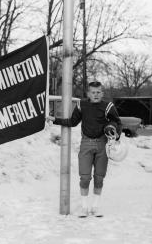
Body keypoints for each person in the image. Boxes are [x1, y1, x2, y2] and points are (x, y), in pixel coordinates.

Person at [46, 81, 122, 217]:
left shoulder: (108, 106)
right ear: (88, 93)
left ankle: (95, 207)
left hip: (102, 144)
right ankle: (84, 207)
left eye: (98, 92)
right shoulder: (82, 104)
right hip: (86, 143)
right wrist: (54, 119)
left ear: (102, 93)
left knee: (99, 177)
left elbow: (117, 122)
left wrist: (114, 133)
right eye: (93, 92)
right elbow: (72, 122)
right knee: (85, 177)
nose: (96, 94)